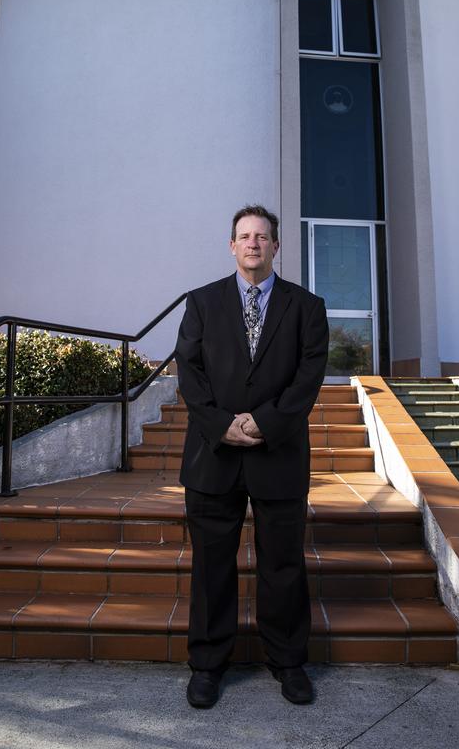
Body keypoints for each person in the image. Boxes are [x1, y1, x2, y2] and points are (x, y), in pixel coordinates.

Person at [175, 204, 329, 708]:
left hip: (277, 454)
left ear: (276, 246)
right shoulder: (201, 303)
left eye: (262, 236)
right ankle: (207, 665)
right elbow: (190, 373)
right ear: (232, 245)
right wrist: (223, 424)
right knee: (211, 567)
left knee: (282, 566)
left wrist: (265, 421)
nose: (253, 244)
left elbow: (308, 377)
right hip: (213, 456)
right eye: (244, 236)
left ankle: (288, 662)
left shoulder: (307, 307)